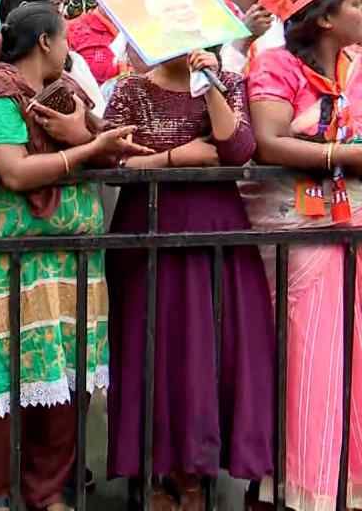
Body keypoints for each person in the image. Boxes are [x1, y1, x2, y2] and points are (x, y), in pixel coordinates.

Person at [0, 2, 145, 511]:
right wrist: (85, 151)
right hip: (25, 264)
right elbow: (16, 173)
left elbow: (115, 148)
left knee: (71, 384)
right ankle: (3, 491)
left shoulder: (68, 93)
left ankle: (51, 492)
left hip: (78, 261)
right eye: (64, 38)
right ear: (45, 42)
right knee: (18, 379)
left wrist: (84, 136)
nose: (69, 47)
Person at [103, 48, 274, 507]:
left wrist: (210, 83)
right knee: (151, 347)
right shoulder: (130, 89)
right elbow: (111, 167)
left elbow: (238, 150)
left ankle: (196, 470)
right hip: (147, 230)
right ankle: (155, 472)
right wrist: (177, 158)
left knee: (209, 351)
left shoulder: (229, 81)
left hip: (216, 229)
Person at [244, 0, 362, 510]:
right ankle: (302, 490)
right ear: (324, 18)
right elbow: (268, 142)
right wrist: (344, 154)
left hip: (353, 234)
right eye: (356, 3)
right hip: (300, 242)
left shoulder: (357, 66)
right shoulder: (275, 68)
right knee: (311, 367)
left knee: (354, 367)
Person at [0, 0, 107, 114]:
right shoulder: (1, 86)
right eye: (57, 5)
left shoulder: (74, 63)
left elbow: (100, 115)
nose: (64, 14)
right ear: (27, 9)